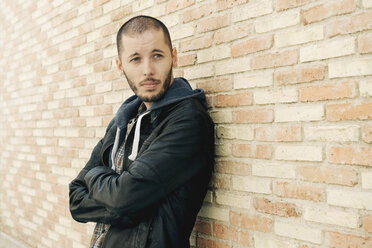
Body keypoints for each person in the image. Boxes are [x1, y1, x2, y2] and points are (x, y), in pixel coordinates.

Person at [69, 15, 214, 248]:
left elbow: (123, 198)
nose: (148, 70)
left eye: (157, 55)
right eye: (135, 59)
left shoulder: (187, 120)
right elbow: (75, 199)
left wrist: (93, 175)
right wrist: (123, 201)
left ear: (173, 56)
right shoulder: (124, 120)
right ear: (120, 65)